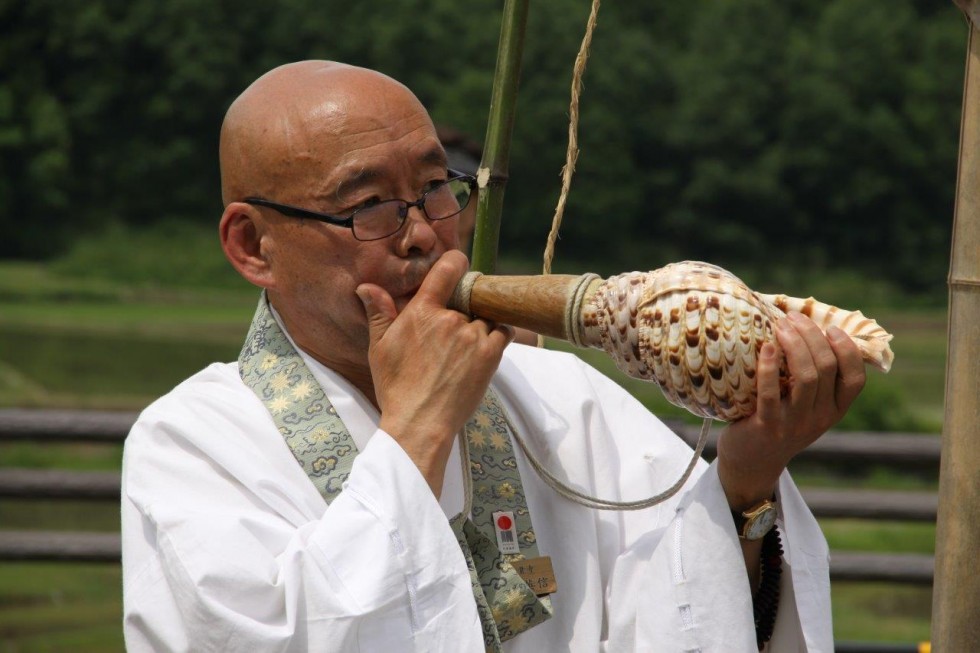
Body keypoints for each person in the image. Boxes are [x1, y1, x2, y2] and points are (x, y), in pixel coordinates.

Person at [121, 60, 866, 652]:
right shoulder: (190, 444)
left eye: (436, 189)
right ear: (253, 245)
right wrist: (416, 429)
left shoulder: (559, 393)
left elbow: (682, 610)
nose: (422, 234)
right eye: (368, 208)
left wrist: (745, 475)